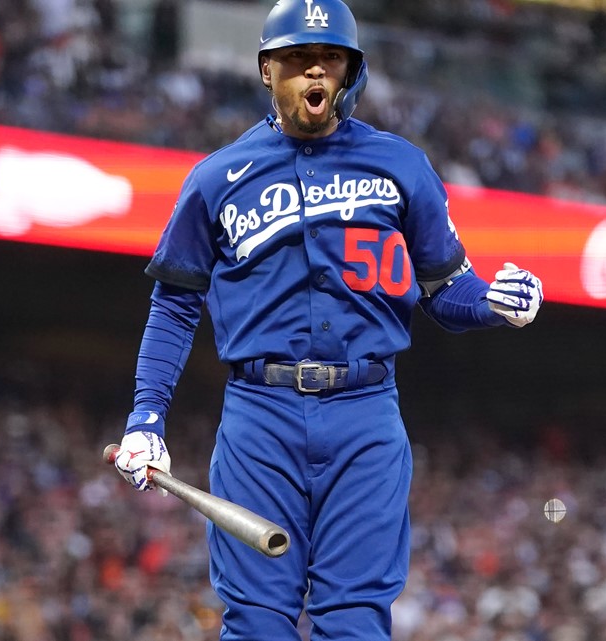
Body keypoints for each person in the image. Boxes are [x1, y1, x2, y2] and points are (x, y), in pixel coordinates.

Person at [111, 2, 543, 640]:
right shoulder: (216, 178)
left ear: (351, 71)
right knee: (256, 623)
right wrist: (146, 416)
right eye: (297, 58)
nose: (315, 70)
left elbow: (445, 289)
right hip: (261, 415)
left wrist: (491, 303)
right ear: (266, 70)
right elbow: (175, 304)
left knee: (357, 622)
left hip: (366, 413)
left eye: (330, 58)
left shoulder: (402, 165)